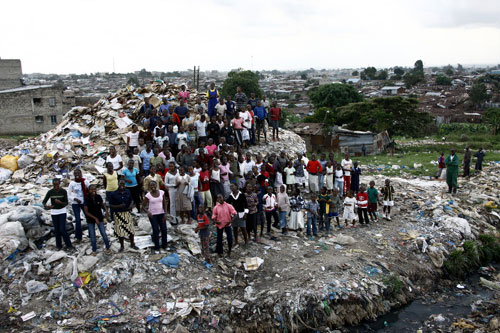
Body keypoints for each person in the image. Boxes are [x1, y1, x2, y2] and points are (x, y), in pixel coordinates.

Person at [43, 178, 73, 250]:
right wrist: (48, 207)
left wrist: (61, 203)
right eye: (54, 185)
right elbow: (44, 202)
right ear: (52, 184)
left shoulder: (63, 191)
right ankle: (58, 246)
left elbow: (66, 203)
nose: (56, 186)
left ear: (59, 184)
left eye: (57, 184)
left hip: (62, 211)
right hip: (54, 212)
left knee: (62, 229)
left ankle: (69, 245)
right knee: (57, 230)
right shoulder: (50, 192)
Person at [109, 180, 138, 251]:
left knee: (130, 229)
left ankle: (132, 244)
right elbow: (110, 205)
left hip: (127, 213)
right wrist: (119, 206)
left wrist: (131, 205)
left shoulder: (128, 191)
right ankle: (122, 246)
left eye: (123, 184)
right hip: (118, 214)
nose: (122, 185)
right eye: (121, 184)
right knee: (120, 231)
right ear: (118, 184)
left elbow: (132, 200)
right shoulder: (114, 194)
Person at [83, 185, 111, 255]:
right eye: (91, 190)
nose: (93, 191)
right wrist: (95, 218)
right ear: (89, 190)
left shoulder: (98, 197)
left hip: (99, 217)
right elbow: (86, 212)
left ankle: (108, 247)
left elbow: (102, 205)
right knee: (92, 235)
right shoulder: (86, 199)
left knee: (104, 234)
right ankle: (94, 250)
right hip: (90, 219)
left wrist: (106, 211)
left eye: (94, 190)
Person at [142, 180, 168, 253]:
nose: (153, 187)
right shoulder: (148, 195)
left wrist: (165, 214)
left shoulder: (162, 192)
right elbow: (143, 206)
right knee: (156, 230)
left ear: (156, 185)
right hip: (153, 215)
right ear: (149, 186)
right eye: (151, 185)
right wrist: (148, 212)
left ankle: (165, 245)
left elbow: (165, 204)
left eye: (154, 185)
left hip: (161, 213)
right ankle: (157, 247)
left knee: (164, 230)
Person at [67, 169, 89, 243]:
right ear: (74, 175)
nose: (77, 175)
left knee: (88, 217)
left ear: (81, 174)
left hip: (84, 202)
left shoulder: (85, 182)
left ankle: (91, 233)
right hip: (75, 203)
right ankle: (78, 236)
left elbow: (90, 190)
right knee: (78, 220)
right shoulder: (72, 183)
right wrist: (74, 198)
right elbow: (68, 194)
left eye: (79, 173)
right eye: (76, 173)